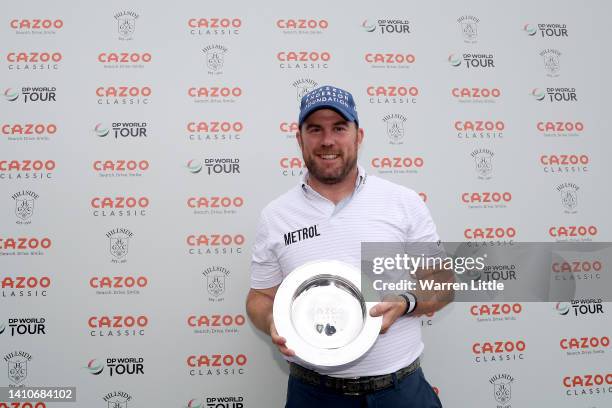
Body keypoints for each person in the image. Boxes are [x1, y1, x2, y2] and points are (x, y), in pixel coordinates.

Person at [246, 85, 452, 407]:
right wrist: (272, 319)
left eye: (339, 128)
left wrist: (406, 301)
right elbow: (260, 297)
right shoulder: (276, 216)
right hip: (313, 394)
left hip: (400, 392)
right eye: (315, 129)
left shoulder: (403, 202)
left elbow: (444, 284)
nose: (328, 140)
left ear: (358, 136)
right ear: (300, 139)